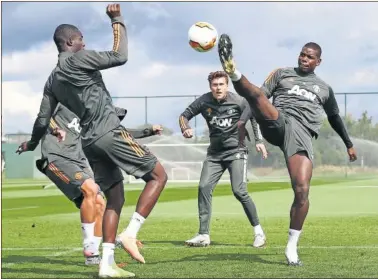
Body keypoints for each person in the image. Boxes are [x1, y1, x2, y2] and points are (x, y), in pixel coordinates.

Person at [16, 4, 167, 278]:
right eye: (82, 39)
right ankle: (130, 234)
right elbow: (119, 56)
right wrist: (117, 19)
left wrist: (30, 143)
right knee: (158, 176)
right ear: (71, 42)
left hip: (89, 143)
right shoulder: (78, 59)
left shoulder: (52, 81)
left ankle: (106, 263)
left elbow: (41, 120)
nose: (84, 43)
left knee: (115, 198)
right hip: (109, 132)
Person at [217, 34, 357, 265]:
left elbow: (334, 117)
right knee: (260, 96)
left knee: (302, 191)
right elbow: (257, 97)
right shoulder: (282, 73)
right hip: (279, 121)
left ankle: (291, 247)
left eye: (309, 57)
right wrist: (243, 122)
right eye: (302, 54)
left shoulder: (324, 89)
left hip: (302, 134)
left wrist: (349, 144)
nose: (304, 59)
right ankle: (233, 70)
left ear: (318, 62)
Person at [18, 103, 163, 266]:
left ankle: (93, 255)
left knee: (100, 202)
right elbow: (45, 116)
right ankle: (89, 245)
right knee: (91, 189)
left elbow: (119, 133)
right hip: (56, 157)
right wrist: (53, 131)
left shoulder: (95, 125)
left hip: (79, 161)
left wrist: (148, 130)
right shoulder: (66, 102)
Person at [179, 71, 268, 248]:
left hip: (237, 151)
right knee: (204, 187)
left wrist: (258, 141)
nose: (218, 88)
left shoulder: (239, 101)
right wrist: (185, 128)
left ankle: (259, 232)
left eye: (221, 84)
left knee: (239, 191)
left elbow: (254, 117)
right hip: (214, 155)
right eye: (215, 85)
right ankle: (203, 234)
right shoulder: (204, 101)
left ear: (227, 86)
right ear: (210, 86)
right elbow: (183, 116)